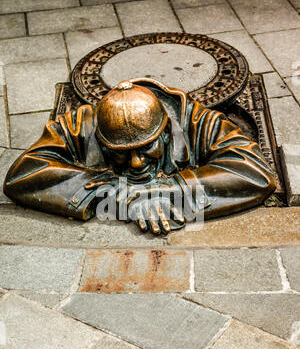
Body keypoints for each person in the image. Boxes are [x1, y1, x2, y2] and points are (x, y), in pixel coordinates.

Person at [3, 78, 276, 235]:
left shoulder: (196, 121)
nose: (136, 162)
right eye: (120, 154)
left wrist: (168, 188)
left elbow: (256, 171)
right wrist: (112, 191)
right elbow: (23, 174)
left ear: (166, 132)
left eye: (146, 148)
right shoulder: (82, 124)